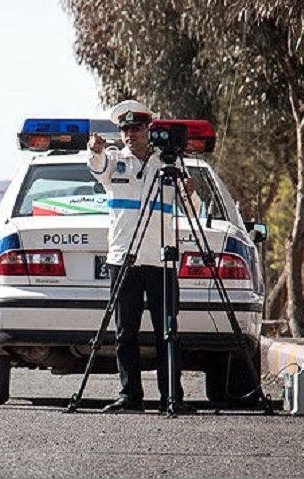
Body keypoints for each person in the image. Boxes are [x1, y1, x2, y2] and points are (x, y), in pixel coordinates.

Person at [87, 100, 198, 414]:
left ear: (148, 130)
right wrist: (95, 149)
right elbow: (96, 168)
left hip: (161, 260)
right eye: (125, 129)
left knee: (168, 331)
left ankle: (171, 397)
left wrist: (189, 190)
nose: (130, 134)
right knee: (125, 333)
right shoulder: (113, 161)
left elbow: (192, 210)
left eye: (136, 128)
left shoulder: (168, 163)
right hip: (124, 259)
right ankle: (129, 396)